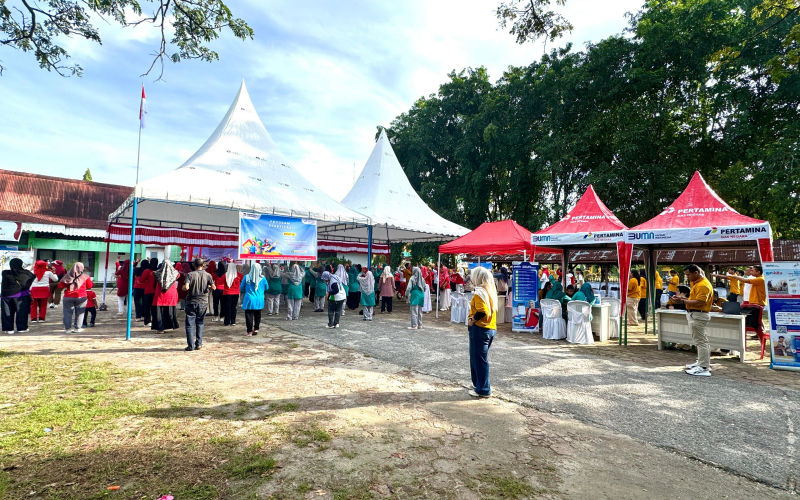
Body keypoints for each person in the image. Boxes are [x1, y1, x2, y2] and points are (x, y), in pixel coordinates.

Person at [672, 264, 714, 377]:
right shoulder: (697, 283)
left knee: (701, 341)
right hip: (694, 314)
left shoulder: (703, 285)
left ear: (696, 273)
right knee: (700, 340)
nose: (687, 277)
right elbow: (693, 299)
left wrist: (682, 301)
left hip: (699, 314)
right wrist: (682, 299)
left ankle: (704, 367)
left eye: (688, 274)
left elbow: (700, 302)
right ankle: (702, 362)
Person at [467, 266, 498, 398]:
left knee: (479, 359)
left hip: (480, 328)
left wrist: (472, 319)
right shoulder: (490, 291)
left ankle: (483, 389)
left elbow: (482, 311)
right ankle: (479, 384)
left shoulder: (479, 292)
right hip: (490, 328)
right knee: (478, 358)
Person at [713, 265, 766, 330]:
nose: (750, 272)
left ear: (758, 272)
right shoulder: (754, 278)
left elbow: (744, 280)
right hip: (752, 301)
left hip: (756, 302)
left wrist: (735, 276)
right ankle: (760, 330)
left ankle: (760, 330)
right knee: (757, 318)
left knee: (742, 312)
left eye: (752, 270)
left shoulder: (760, 279)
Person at [183, 258, 215, 350]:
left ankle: (190, 345)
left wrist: (184, 288)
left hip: (191, 301)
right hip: (203, 301)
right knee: (200, 322)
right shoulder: (208, 275)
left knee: (189, 324)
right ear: (203, 265)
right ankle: (199, 344)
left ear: (193, 265)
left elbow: (186, 287)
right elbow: (213, 287)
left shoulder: (189, 275)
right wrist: (208, 287)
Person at [58, 262, 93, 334]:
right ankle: (77, 328)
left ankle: (67, 329)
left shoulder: (67, 276)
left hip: (68, 296)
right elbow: (90, 286)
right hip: (81, 296)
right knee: (80, 313)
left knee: (67, 313)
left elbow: (60, 286)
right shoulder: (86, 277)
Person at [2, 258, 35, 334]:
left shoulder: (5, 273)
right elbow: (33, 276)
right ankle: (21, 328)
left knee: (7, 312)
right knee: (21, 311)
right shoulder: (26, 274)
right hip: (20, 295)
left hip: (5, 296)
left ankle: (8, 329)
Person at [151, 260, 180, 334]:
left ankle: (160, 328)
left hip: (160, 294)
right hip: (171, 294)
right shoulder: (176, 273)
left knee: (159, 311)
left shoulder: (156, 273)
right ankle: (169, 326)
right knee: (169, 311)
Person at [240, 262, 267, 336]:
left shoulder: (246, 277)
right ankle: (256, 328)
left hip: (249, 299)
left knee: (249, 315)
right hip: (259, 299)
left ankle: (249, 331)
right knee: (258, 314)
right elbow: (266, 287)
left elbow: (242, 288)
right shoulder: (263, 278)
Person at [222, 262, 243, 326]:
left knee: (227, 308)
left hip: (227, 293)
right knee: (233, 307)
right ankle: (233, 321)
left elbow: (220, 282)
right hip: (236, 293)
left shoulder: (225, 275)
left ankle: (227, 322)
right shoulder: (239, 275)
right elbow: (243, 281)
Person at [139, 258, 157, 326]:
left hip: (148, 291)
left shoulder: (147, 271)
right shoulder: (158, 271)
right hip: (156, 292)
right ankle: (155, 321)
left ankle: (147, 321)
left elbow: (141, 280)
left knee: (147, 307)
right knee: (155, 308)